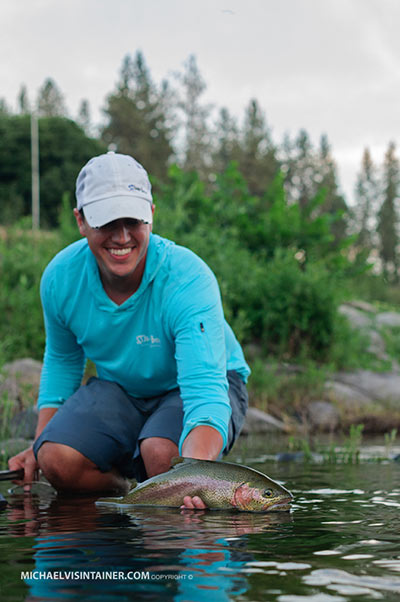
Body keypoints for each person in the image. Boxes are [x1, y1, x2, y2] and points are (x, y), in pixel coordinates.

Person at [9, 151, 250, 509]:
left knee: (161, 454)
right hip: (121, 387)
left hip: (206, 382)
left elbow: (204, 394)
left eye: (133, 220)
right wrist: (39, 444)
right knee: (55, 459)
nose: (121, 237)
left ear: (151, 214)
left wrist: (197, 477)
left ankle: (161, 512)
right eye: (106, 222)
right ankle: (129, 495)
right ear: (81, 220)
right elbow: (62, 362)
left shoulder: (188, 278)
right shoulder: (61, 278)